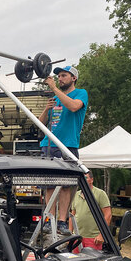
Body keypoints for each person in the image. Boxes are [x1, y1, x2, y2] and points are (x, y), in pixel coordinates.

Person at [39, 65, 88, 235]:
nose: (60, 79)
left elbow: (74, 107)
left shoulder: (81, 93)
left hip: (68, 145)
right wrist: (46, 109)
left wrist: (54, 88)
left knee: (66, 185)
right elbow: (40, 123)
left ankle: (61, 221)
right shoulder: (56, 97)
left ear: (73, 78)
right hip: (49, 144)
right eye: (58, 76)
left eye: (64, 75)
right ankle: (48, 219)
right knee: (49, 184)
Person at [70, 171, 112, 251]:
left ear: (91, 180)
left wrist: (102, 235)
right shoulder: (76, 194)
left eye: (85, 178)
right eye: (80, 179)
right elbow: (72, 216)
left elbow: (108, 215)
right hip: (77, 237)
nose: (83, 180)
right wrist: (70, 234)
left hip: (94, 238)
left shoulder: (100, 194)